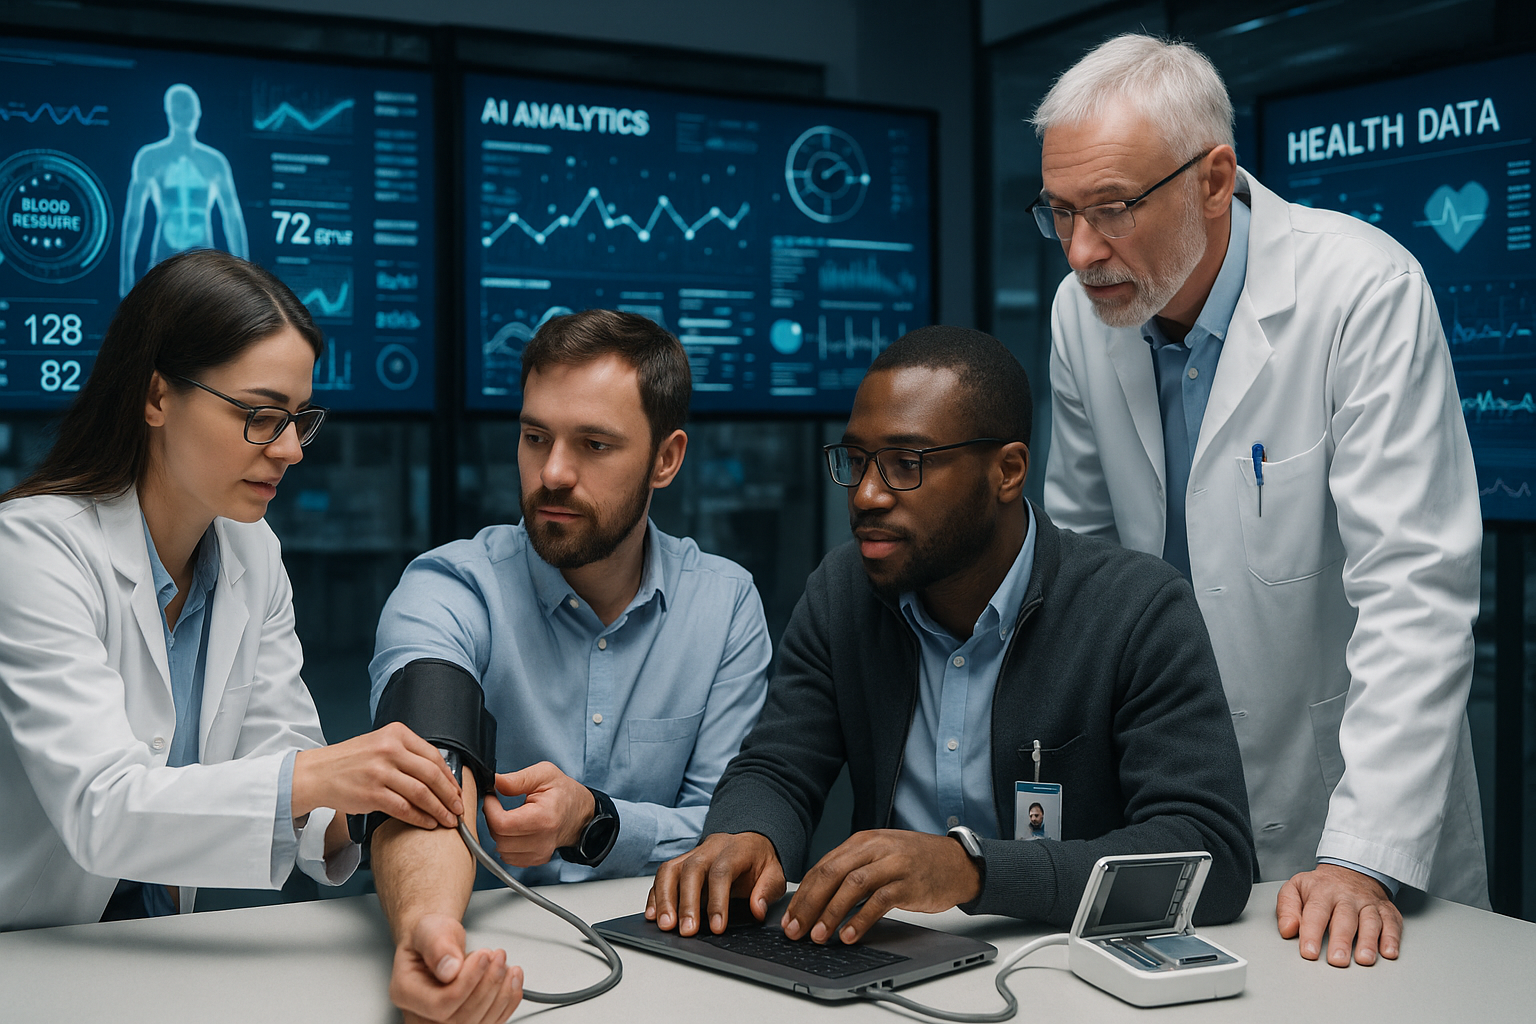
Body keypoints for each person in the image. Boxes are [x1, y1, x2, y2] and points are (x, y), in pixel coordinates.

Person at [1034, 34, 1487, 968]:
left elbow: (1414, 590)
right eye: (1060, 213)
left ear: (1213, 178)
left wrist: (1363, 856)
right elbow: (1076, 569)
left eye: (1112, 209)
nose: (1082, 252)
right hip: (1160, 800)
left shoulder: (1362, 290)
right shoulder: (1085, 314)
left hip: (1349, 811)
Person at [646, 326, 1253, 947]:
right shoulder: (843, 592)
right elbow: (778, 767)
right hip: (881, 961)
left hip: (1064, 969)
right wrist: (750, 834)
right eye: (855, 462)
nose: (867, 494)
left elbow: (1212, 855)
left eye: (907, 464)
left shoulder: (1137, 610)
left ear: (1008, 471)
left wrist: (973, 871)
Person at [0, 249, 464, 931]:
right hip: (29, 947)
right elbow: (102, 806)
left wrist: (377, 806)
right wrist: (327, 774)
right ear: (157, 397)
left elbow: (279, 752)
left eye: (299, 417)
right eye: (262, 414)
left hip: (154, 937)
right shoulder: (32, 549)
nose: (290, 449)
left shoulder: (252, 548)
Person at [369, 309, 771, 1024]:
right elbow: (421, 783)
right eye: (534, 438)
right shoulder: (449, 589)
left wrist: (597, 821)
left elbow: (730, 838)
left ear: (666, 459)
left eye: (594, 444)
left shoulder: (725, 604)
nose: (552, 473)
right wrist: (433, 936)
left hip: (672, 976)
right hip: (490, 954)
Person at [120, 83, 249, 296]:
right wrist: (125, 277)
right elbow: (133, 219)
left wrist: (247, 280)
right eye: (178, 107)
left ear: (198, 111)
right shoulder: (150, 158)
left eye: (188, 106)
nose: (183, 113)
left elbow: (233, 219)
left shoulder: (214, 162)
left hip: (205, 267)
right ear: (168, 111)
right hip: (162, 262)